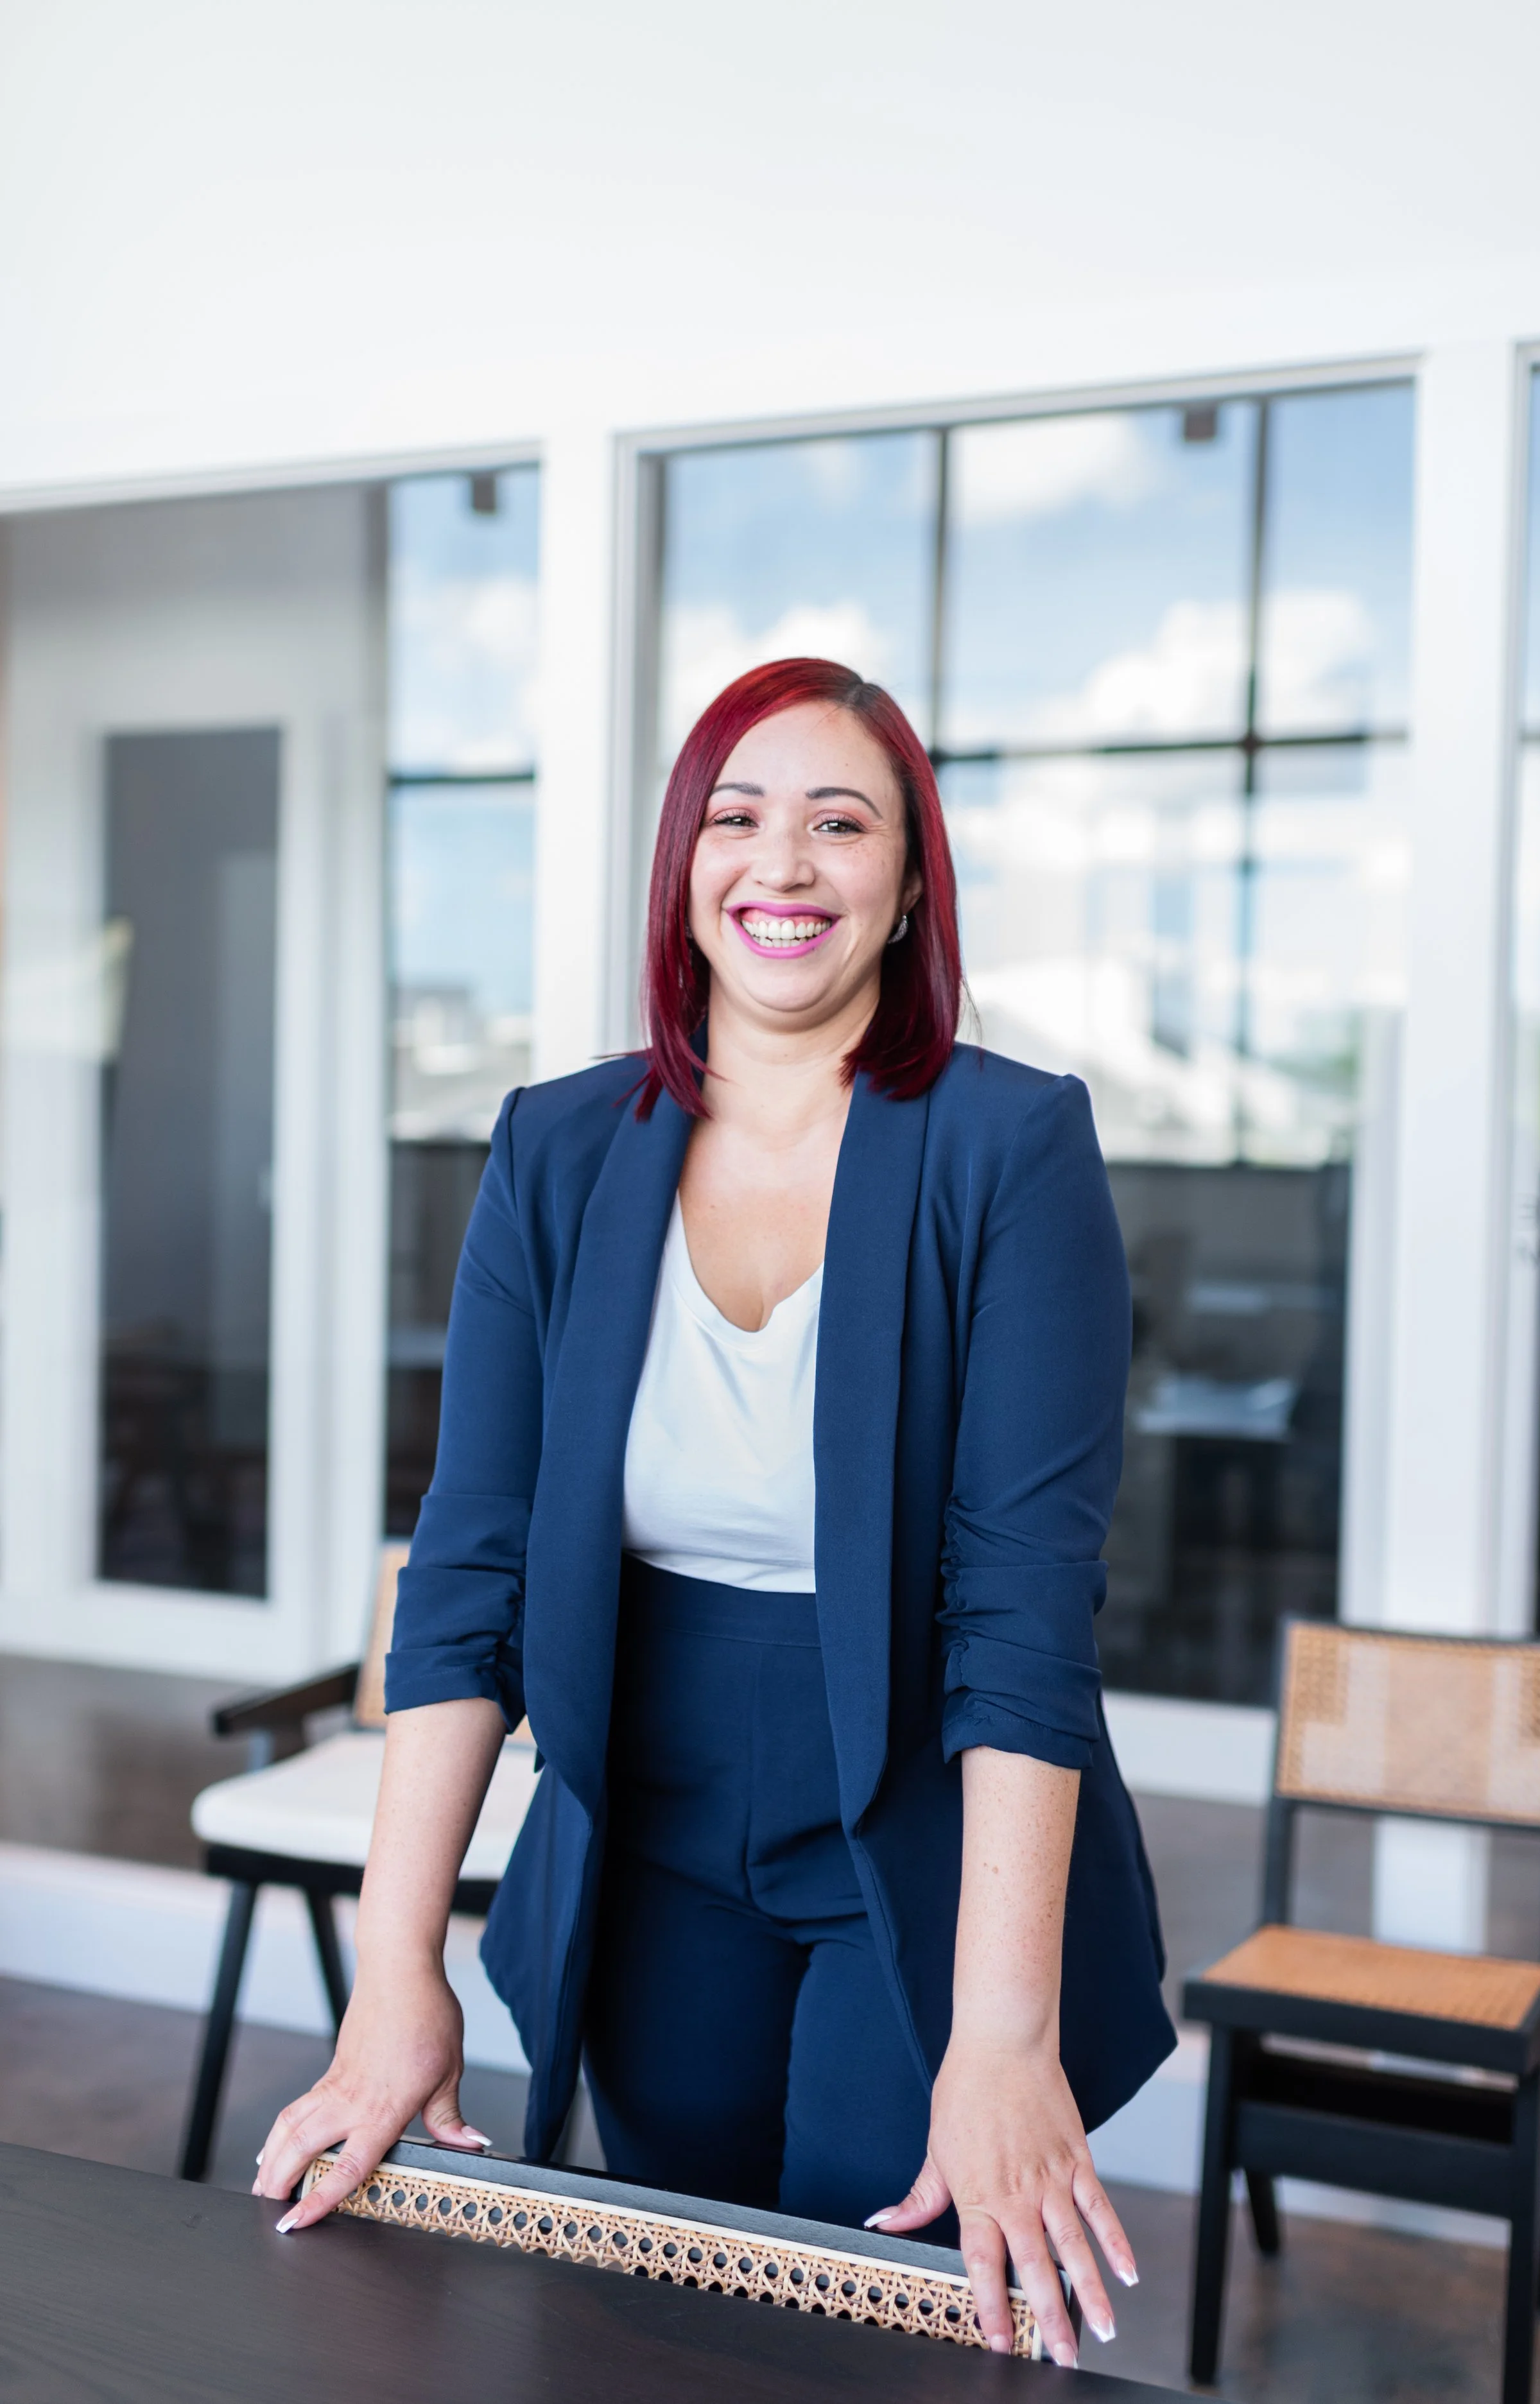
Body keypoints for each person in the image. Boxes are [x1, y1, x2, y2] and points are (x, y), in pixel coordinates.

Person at [255, 656, 1175, 2367]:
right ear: (685, 869)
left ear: (907, 889)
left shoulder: (1008, 1147)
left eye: (843, 823)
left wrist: (1001, 2027)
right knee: (666, 2297)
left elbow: (1020, 1614)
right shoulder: (555, 1148)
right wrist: (396, 1974)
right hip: (645, 1832)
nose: (785, 864)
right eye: (738, 819)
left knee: (870, 2294)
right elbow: (468, 1582)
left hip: (907, 1832)